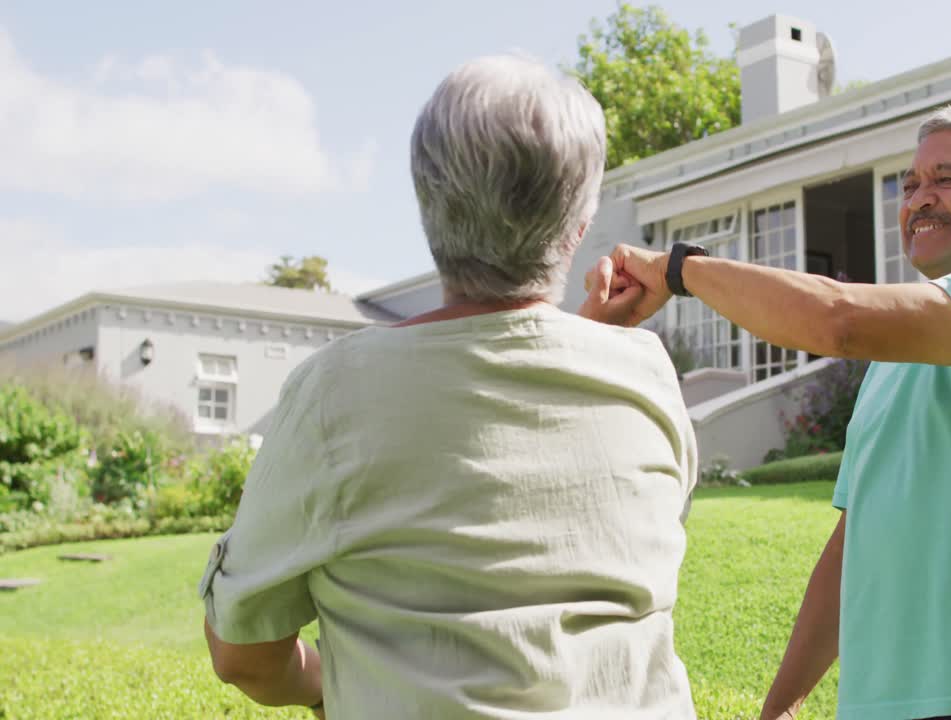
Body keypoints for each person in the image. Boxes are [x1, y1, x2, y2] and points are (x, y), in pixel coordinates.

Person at [199, 54, 698, 719]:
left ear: (427, 204)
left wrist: (329, 683)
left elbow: (245, 656)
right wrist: (588, 345)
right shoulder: (647, 376)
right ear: (579, 225)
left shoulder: (335, 394)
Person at [600, 103, 951, 720]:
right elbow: (852, 544)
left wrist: (680, 271)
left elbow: (839, 319)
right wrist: (779, 707)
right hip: (889, 701)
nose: (919, 199)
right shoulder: (891, 363)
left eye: (945, 179)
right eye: (909, 185)